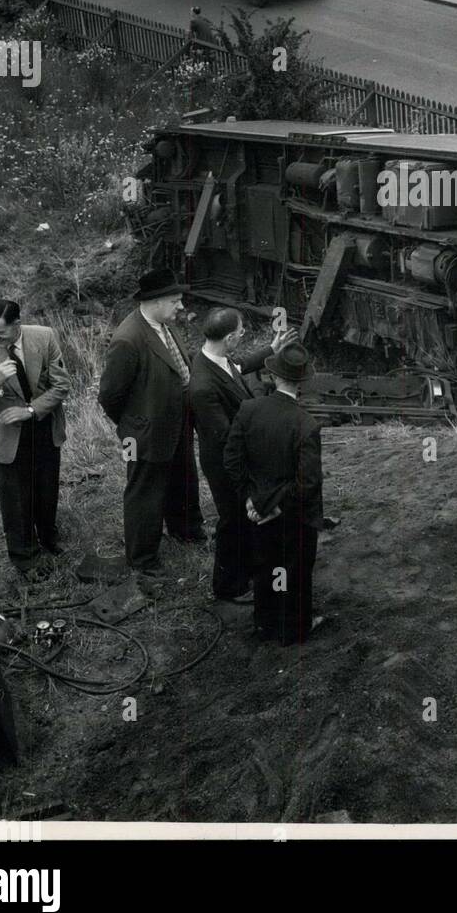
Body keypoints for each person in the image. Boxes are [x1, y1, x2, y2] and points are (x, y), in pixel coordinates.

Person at [97, 268, 204, 582]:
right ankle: (142, 558)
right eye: (175, 301)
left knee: (183, 477)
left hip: (177, 421)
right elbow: (109, 395)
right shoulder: (128, 340)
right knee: (145, 491)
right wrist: (135, 424)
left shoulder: (162, 325)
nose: (181, 307)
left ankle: (186, 531)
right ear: (155, 301)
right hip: (145, 431)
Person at [190, 311, 298, 602]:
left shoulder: (216, 358)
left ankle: (246, 572)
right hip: (226, 462)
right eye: (240, 332)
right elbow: (225, 436)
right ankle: (228, 587)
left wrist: (271, 350)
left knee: (244, 519)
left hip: (236, 456)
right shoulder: (202, 386)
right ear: (229, 338)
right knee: (232, 520)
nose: (243, 334)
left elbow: (238, 366)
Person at [224, 342, 325, 644]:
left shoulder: (249, 410)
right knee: (293, 572)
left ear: (273, 375)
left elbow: (231, 460)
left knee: (265, 567)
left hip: (257, 510)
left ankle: (264, 624)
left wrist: (250, 500)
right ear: (302, 383)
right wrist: (278, 508)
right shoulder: (306, 424)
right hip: (293, 516)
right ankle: (294, 630)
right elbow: (308, 482)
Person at [0, 300, 70, 579]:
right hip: (9, 436)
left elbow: (62, 385)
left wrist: (30, 411)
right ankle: (25, 557)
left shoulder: (44, 336)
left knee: (47, 488)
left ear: (17, 324)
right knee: (15, 500)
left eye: (0, 333)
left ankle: (49, 538)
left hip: (44, 425)